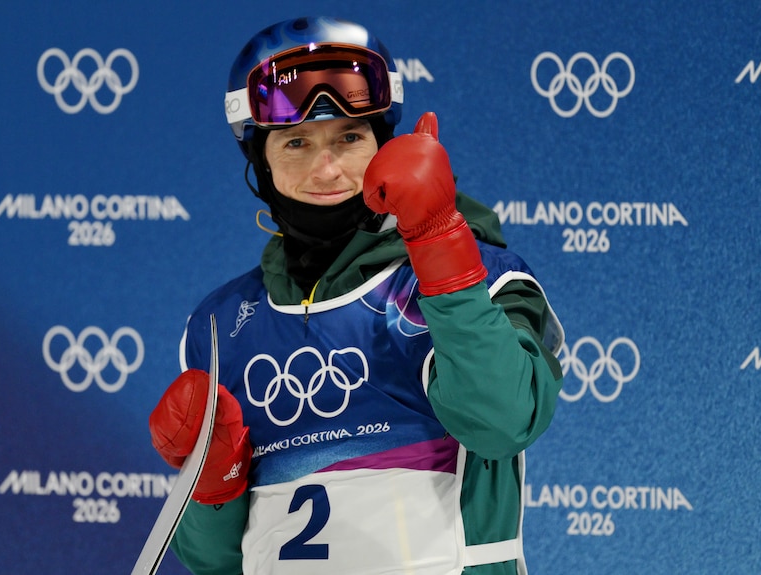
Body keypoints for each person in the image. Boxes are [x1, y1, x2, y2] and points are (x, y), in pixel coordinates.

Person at [148, 16, 564, 575]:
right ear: (261, 162)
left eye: (349, 138)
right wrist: (214, 481)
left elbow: (502, 423)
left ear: (384, 145)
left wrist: (440, 244)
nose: (327, 168)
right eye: (297, 143)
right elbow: (215, 562)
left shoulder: (484, 277)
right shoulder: (220, 324)